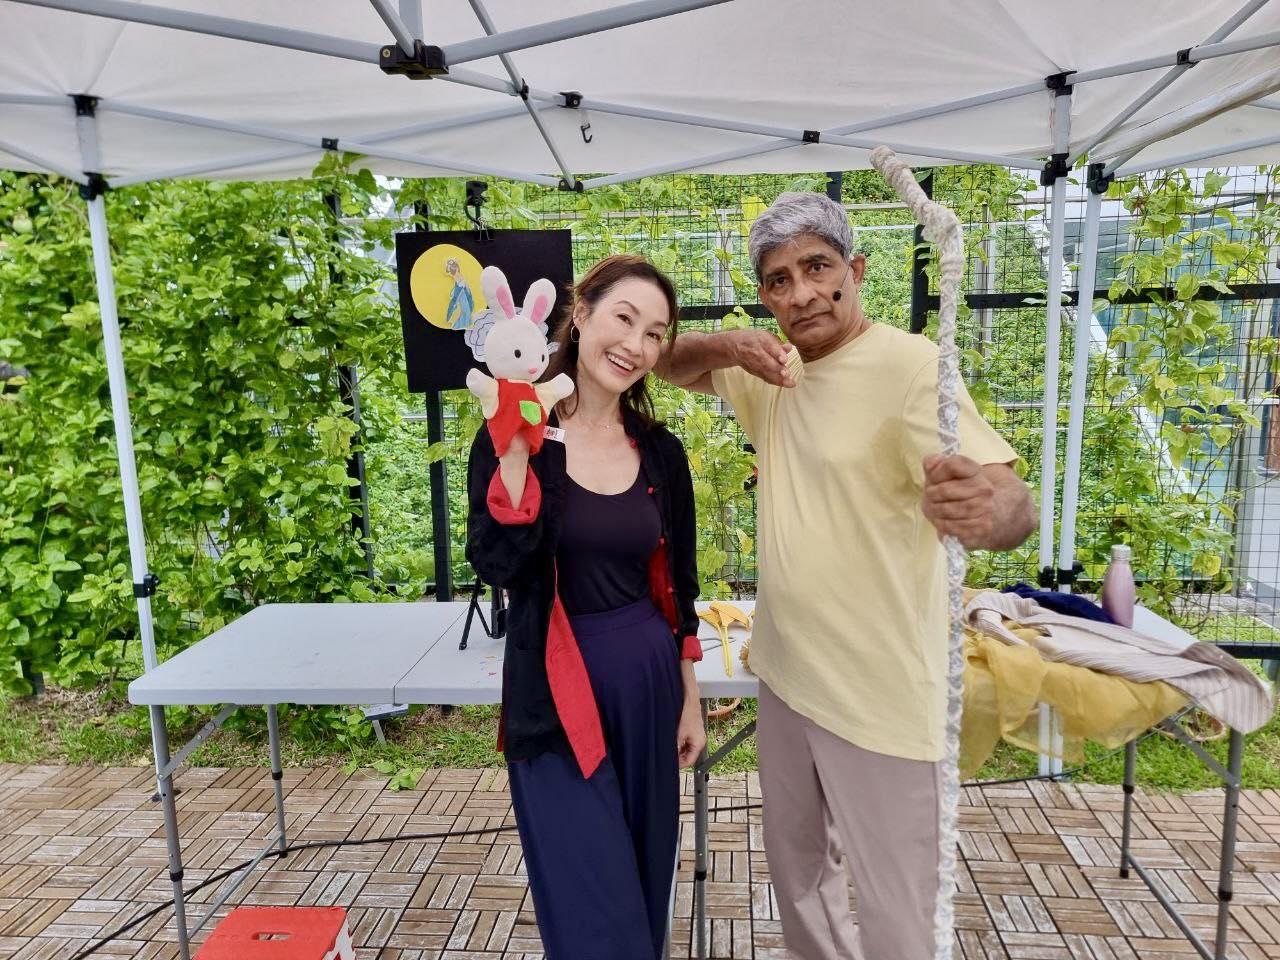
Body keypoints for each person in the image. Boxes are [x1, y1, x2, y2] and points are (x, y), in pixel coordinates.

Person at [656, 192, 1036, 960]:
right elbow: (664, 359)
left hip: (884, 696)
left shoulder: (911, 367)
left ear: (855, 270)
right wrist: (730, 343)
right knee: (801, 885)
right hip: (790, 678)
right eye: (778, 280)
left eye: (816, 267)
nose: (799, 293)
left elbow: (1010, 502)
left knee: (901, 911)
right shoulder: (770, 370)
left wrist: (984, 512)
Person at [465, 254, 708, 960]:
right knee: (597, 918)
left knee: (641, 886)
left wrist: (689, 694)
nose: (636, 345)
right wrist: (516, 451)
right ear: (581, 314)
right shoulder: (513, 430)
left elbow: (681, 587)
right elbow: (498, 566)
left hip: (647, 686)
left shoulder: (661, 453)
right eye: (624, 319)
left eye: (656, 333)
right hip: (555, 692)